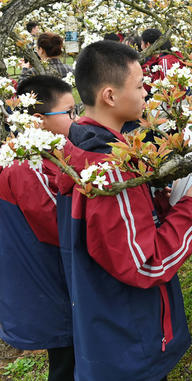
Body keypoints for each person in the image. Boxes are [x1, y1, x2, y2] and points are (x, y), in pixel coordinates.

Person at [56, 40, 192, 381]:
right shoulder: (110, 168)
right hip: (132, 338)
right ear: (110, 96)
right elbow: (146, 265)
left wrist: (153, 204)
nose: (147, 93)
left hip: (106, 326)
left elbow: (112, 234)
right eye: (140, 85)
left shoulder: (78, 149)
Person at [0, 75, 77, 381]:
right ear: (36, 120)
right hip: (50, 288)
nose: (77, 119)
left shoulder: (33, 156)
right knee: (67, 365)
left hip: (46, 286)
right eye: (70, 113)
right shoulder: (27, 165)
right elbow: (62, 226)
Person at [141, 28, 183, 93]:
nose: (141, 47)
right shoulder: (161, 59)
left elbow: (169, 88)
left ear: (147, 44)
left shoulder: (165, 61)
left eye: (142, 44)